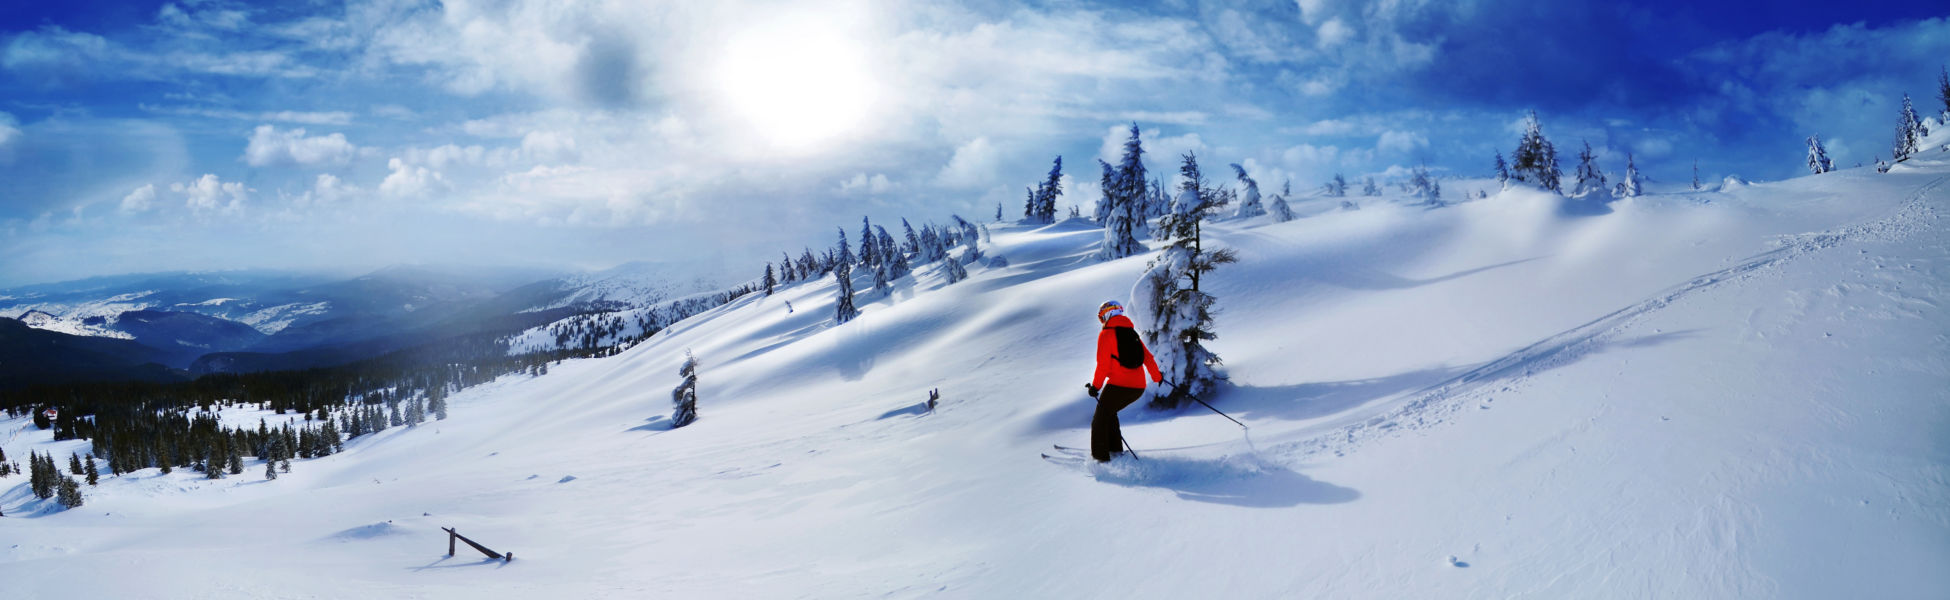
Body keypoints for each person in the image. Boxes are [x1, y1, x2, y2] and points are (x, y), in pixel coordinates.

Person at [1085, 300, 1163, 462]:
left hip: (1119, 386)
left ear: (1107, 314)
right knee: (1109, 413)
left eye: (1102, 318)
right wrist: (1157, 377)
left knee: (1099, 421)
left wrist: (1095, 387)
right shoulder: (1131, 333)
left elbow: (1103, 365)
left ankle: (1100, 458)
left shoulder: (1107, 334)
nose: (1102, 321)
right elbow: (1147, 357)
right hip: (1138, 388)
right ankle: (1114, 450)